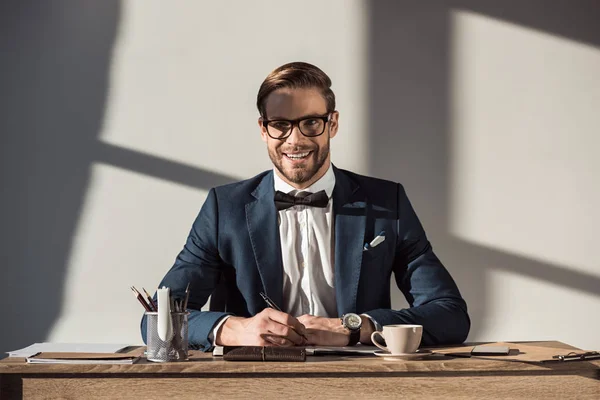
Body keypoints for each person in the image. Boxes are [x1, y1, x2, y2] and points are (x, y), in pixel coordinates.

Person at [141, 62, 470, 351]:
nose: (294, 140)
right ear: (263, 129)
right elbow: (158, 320)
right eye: (280, 124)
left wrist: (355, 328)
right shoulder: (223, 208)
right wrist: (236, 328)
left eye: (310, 123)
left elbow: (450, 314)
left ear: (333, 124)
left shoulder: (387, 202)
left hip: (360, 384)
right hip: (251, 384)